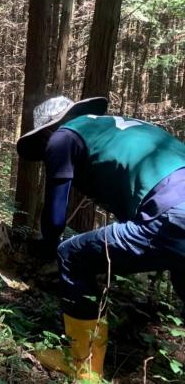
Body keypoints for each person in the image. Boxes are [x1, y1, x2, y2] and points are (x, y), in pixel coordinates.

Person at [16, 96, 185, 381]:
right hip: (172, 212)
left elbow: (55, 218)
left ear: (48, 130)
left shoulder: (62, 137)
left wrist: (47, 246)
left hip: (170, 214)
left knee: (73, 254)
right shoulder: (116, 128)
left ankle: (84, 367)